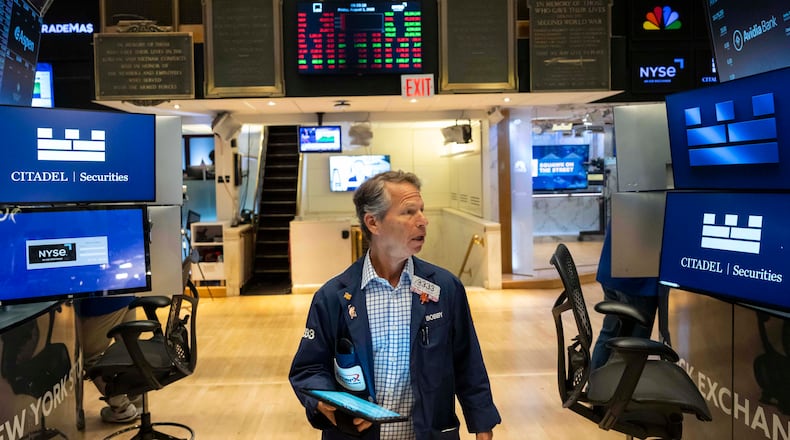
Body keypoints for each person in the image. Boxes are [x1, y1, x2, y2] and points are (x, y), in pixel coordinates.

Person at [289, 170, 501, 439]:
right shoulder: (333, 297)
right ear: (373, 223)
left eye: (422, 210)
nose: (423, 221)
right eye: (409, 212)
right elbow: (309, 368)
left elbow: (467, 360)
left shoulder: (445, 288)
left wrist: (482, 423)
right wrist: (327, 403)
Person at [590, 224, 669, 370]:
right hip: (638, 280)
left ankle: (594, 387)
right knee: (636, 345)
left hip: (613, 270)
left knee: (609, 333)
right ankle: (623, 390)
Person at [75, 296, 141, 423]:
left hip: (102, 301)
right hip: (127, 293)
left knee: (89, 357)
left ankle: (121, 408)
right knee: (130, 350)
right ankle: (138, 403)